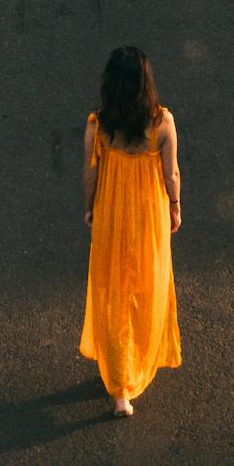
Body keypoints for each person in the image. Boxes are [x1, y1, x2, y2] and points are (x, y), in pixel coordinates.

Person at [81, 45, 182, 417]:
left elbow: (89, 172)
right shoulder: (161, 123)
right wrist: (174, 205)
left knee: (112, 289)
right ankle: (133, 364)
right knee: (145, 285)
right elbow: (170, 174)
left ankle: (118, 383)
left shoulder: (98, 124)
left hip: (112, 211)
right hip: (146, 215)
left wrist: (90, 207)